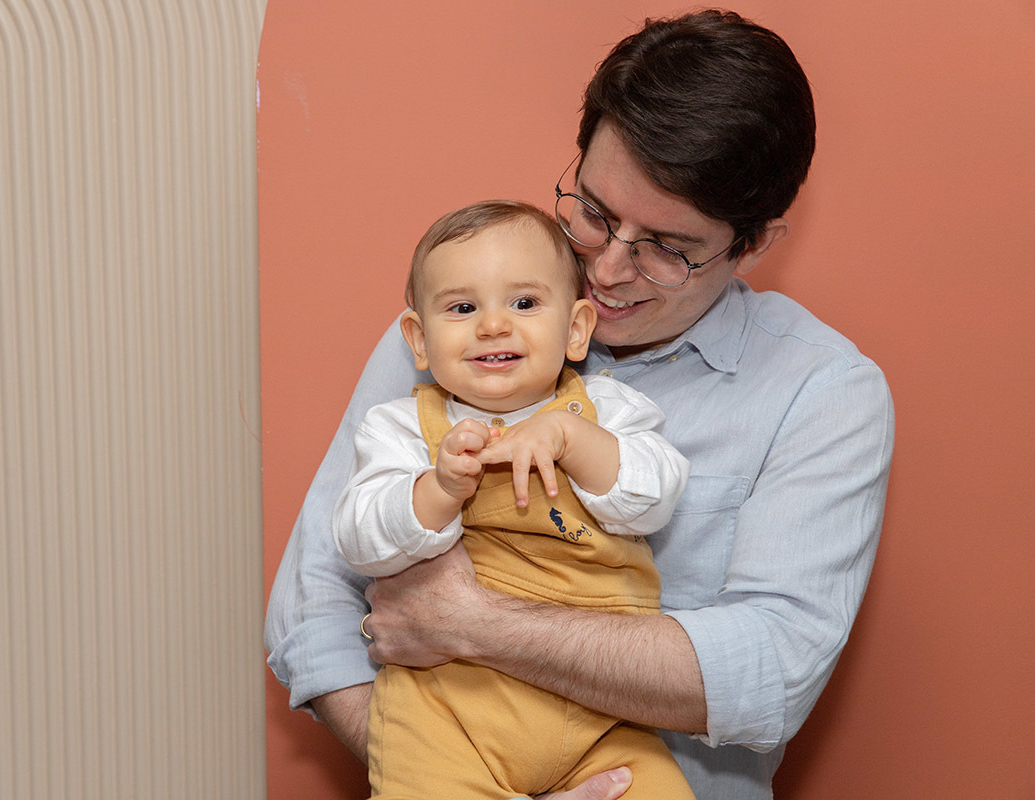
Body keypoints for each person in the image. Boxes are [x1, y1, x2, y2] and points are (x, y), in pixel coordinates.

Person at [265, 10, 894, 800]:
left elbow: (770, 670)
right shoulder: (463, 329)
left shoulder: (824, 393)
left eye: (667, 248)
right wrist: (447, 774)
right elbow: (312, 602)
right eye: (594, 212)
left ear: (755, 243)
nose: (607, 268)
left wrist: (472, 624)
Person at [334, 200, 693, 800]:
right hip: (449, 710)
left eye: (524, 303)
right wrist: (438, 490)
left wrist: (572, 439)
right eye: (462, 308)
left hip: (604, 710)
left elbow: (655, 497)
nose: (493, 326)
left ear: (576, 329)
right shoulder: (399, 428)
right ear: (419, 340)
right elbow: (358, 538)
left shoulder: (609, 410)